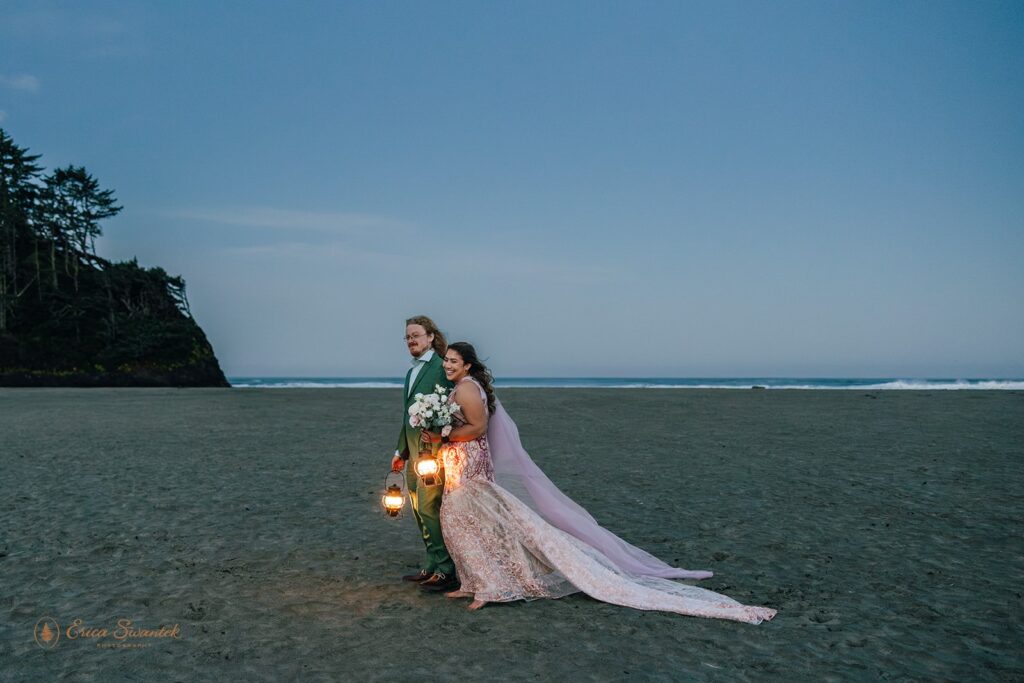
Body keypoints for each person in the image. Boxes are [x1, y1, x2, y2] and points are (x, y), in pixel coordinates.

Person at [421, 341, 777, 623]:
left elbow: (478, 428)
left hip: (467, 463)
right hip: (459, 462)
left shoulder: (467, 389)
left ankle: (489, 587)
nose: (449, 365)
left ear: (467, 365)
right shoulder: (463, 387)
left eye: (454, 361)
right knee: (468, 524)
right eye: (447, 361)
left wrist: (444, 434)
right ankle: (473, 583)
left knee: (469, 523)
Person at [390, 316, 457, 591]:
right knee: (418, 510)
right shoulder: (410, 373)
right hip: (412, 453)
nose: (411, 341)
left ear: (430, 336)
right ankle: (431, 564)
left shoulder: (442, 367)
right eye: (407, 337)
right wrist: (400, 450)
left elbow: (453, 407)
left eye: (416, 335)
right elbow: (407, 416)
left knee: (430, 508)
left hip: (433, 453)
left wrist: (441, 432)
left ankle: (446, 570)